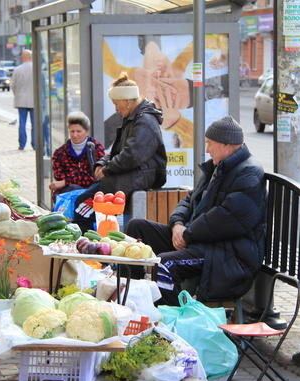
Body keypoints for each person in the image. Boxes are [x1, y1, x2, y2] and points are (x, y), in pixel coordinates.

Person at [126, 116, 266, 305]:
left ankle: (174, 322)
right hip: (199, 240)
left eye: (210, 143)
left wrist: (188, 234)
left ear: (227, 145)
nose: (207, 149)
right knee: (137, 228)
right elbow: (188, 200)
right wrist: (177, 225)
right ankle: (135, 302)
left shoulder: (248, 173)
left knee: (165, 264)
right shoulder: (218, 167)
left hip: (226, 254)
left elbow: (225, 220)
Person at [72, 72, 167, 233]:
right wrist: (102, 163)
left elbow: (132, 155)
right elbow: (118, 151)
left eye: (116, 104)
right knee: (87, 204)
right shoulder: (134, 119)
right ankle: (97, 249)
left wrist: (107, 169)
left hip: (137, 177)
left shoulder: (145, 121)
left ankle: (91, 251)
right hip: (129, 175)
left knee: (82, 205)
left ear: (128, 102)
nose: (116, 109)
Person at [49, 112, 106, 202]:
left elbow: (94, 177)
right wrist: (79, 177)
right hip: (67, 195)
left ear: (87, 132)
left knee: (74, 188)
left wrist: (65, 182)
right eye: (72, 131)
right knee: (72, 188)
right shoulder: (59, 153)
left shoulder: (96, 149)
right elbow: (58, 176)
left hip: (91, 195)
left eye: (78, 131)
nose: (75, 135)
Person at [11, 49, 34, 150]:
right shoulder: (36, 68)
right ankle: (35, 144)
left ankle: (22, 144)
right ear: (31, 57)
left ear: (22, 57)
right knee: (35, 123)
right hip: (34, 100)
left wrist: (17, 94)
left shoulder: (17, 69)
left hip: (21, 99)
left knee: (22, 122)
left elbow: (13, 85)